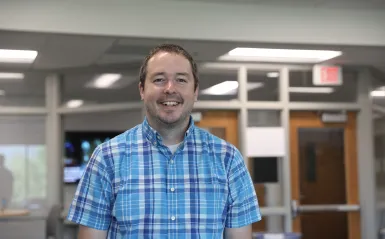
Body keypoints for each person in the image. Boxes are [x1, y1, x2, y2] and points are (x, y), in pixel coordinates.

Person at [67, 44, 261, 238]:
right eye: (159, 79)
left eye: (181, 80)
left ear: (195, 91)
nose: (170, 88)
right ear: (142, 90)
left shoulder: (228, 160)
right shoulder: (106, 159)